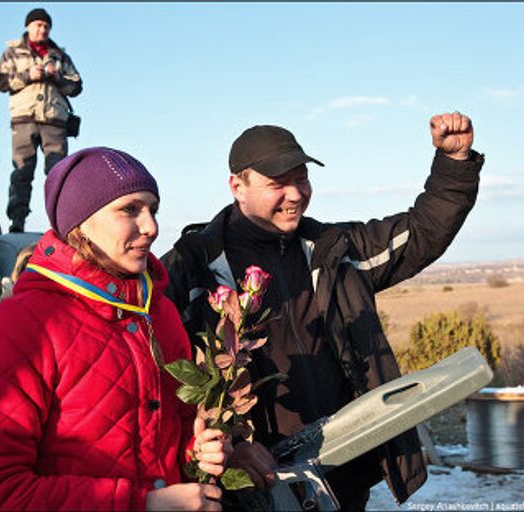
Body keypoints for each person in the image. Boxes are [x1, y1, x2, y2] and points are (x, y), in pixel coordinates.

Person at [161, 113, 485, 509]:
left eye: (302, 179)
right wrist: (227, 445)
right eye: (277, 183)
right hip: (250, 484)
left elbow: (420, 232)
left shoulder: (334, 249)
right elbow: (155, 378)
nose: (295, 194)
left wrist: (454, 165)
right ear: (237, 186)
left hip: (341, 467)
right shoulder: (192, 267)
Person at [0, 147, 230, 511]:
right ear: (79, 224)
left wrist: (199, 452)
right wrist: (141, 505)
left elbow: (173, 433)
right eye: (129, 209)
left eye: (153, 209)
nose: (151, 227)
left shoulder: (158, 311)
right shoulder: (22, 324)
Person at [0, 7, 83, 233]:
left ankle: (61, 223)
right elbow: (0, 81)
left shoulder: (60, 56)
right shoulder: (12, 52)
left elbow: (77, 86)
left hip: (54, 121)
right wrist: (27, 75)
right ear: (28, 26)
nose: (42, 29)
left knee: (59, 173)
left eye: (46, 26)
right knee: (22, 172)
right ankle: (17, 222)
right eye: (38, 25)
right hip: (24, 119)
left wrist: (57, 76)